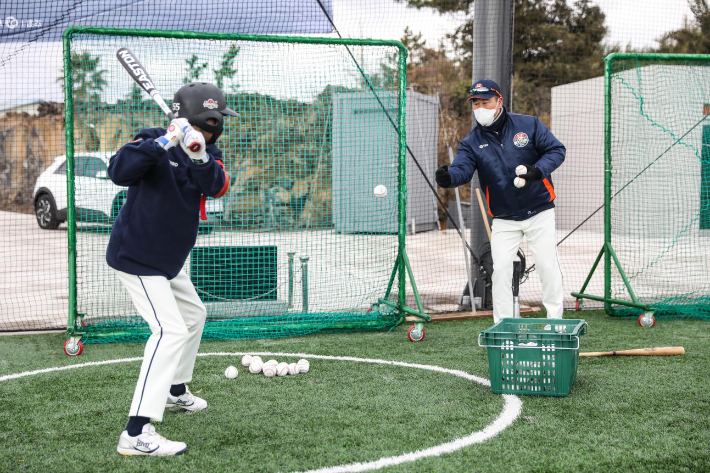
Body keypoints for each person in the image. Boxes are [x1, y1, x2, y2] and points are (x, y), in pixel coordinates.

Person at [107, 82, 237, 456]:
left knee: (194, 315)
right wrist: (164, 143)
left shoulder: (208, 151)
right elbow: (119, 170)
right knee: (169, 331)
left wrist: (197, 155)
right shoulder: (152, 140)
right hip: (139, 257)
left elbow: (217, 186)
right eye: (214, 120)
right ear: (203, 118)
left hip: (169, 261)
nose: (217, 127)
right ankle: (135, 433)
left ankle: (175, 388)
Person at [435, 79, 565, 324]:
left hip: (540, 210)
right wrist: (448, 178)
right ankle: (503, 326)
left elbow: (556, 151)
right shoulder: (471, 142)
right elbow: (462, 170)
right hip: (504, 218)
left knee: (548, 266)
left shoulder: (529, 124)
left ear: (499, 102)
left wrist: (537, 170)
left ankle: (556, 323)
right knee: (501, 271)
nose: (480, 108)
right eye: (476, 104)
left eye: (486, 102)